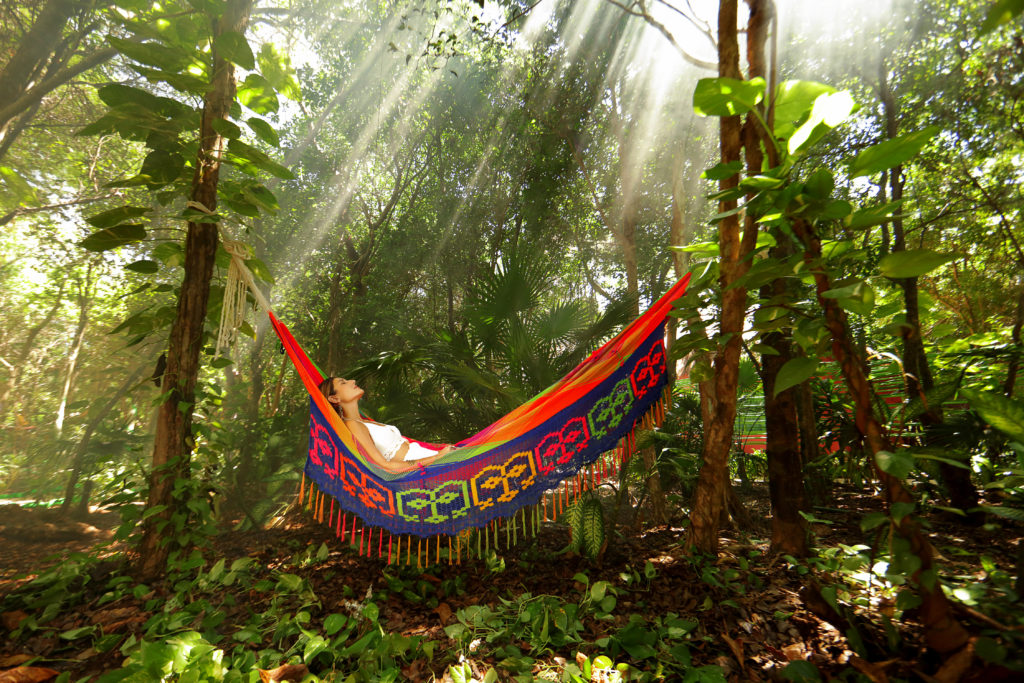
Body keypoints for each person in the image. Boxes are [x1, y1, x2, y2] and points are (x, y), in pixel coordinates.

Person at [318, 376, 454, 471]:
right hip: (424, 468)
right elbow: (384, 465)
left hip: (428, 460)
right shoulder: (352, 425)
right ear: (334, 398)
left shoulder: (363, 421)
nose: (352, 381)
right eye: (343, 382)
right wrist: (437, 457)